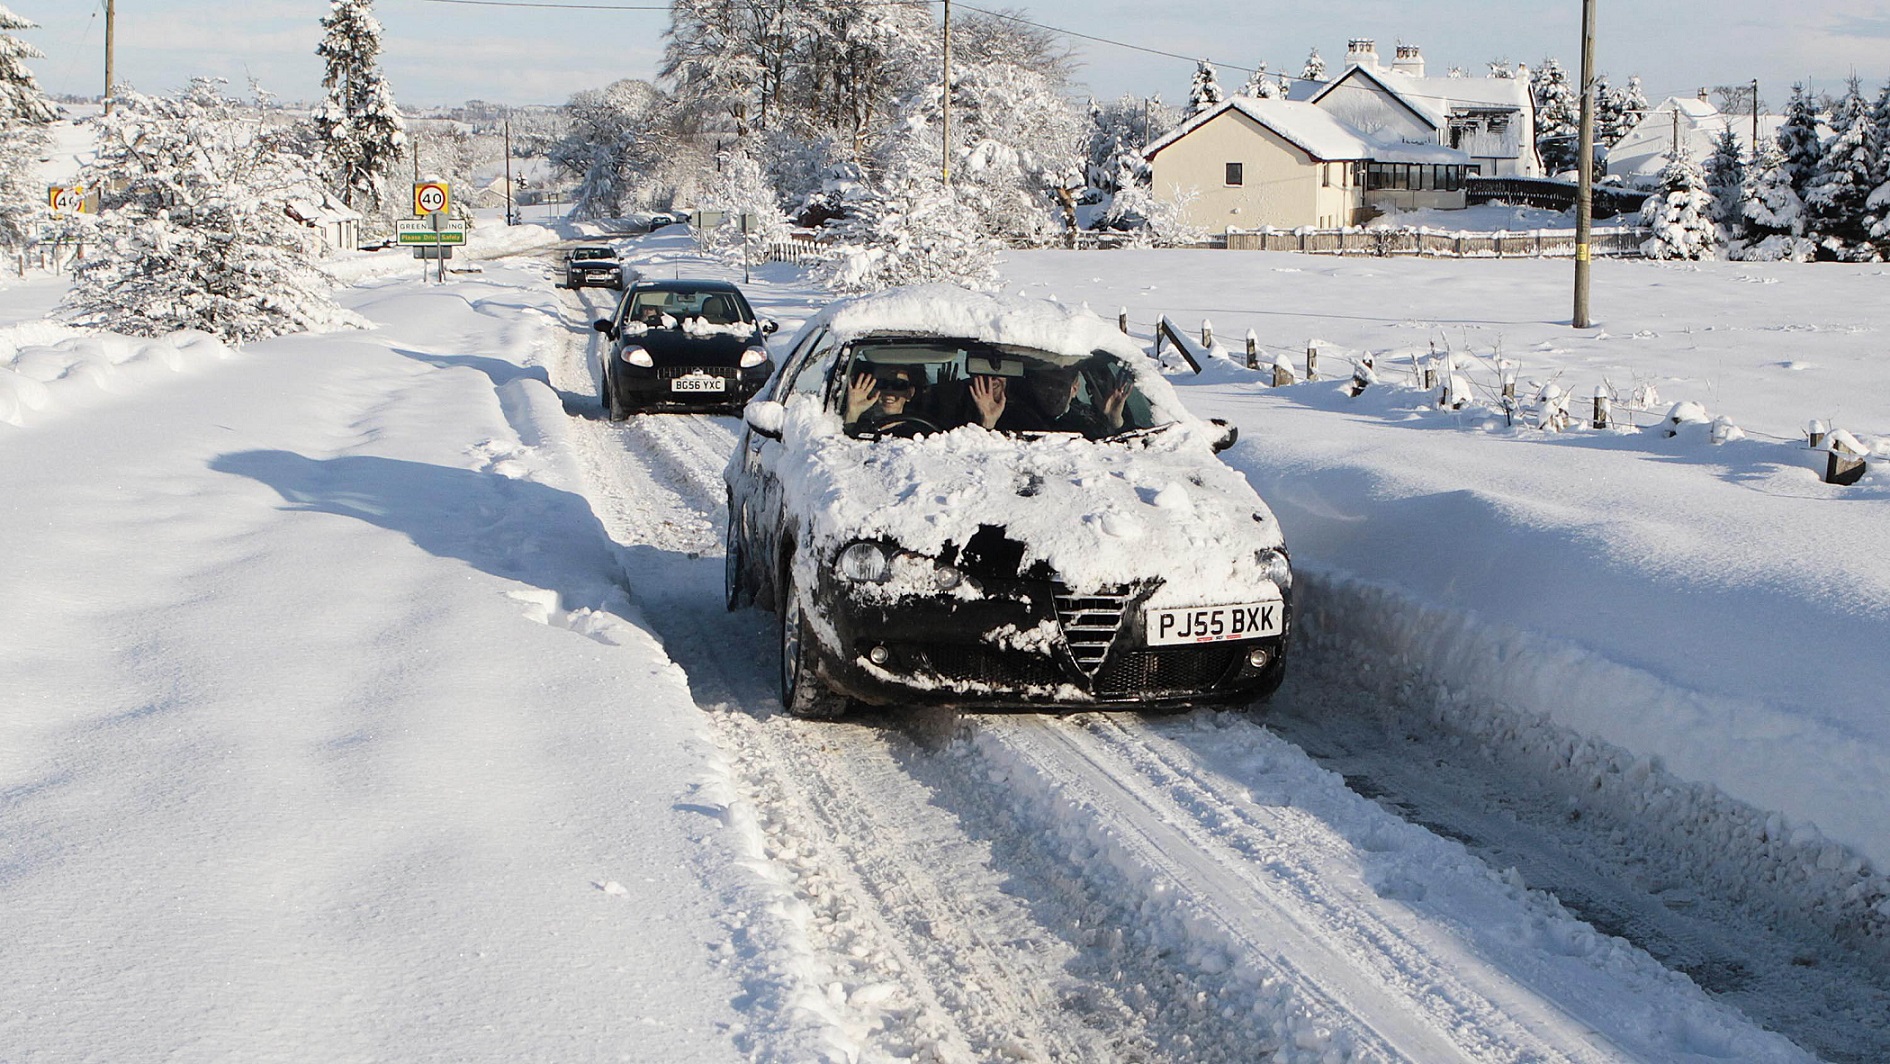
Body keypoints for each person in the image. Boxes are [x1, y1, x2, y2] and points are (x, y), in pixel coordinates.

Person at [967, 361, 1131, 438]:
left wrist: (1114, 421)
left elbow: (1127, 453)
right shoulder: (1013, 416)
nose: (1051, 391)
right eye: (1044, 384)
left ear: (1074, 388)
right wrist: (987, 425)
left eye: (1059, 384)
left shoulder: (1088, 419)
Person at [844, 366, 923, 432]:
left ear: (909, 393)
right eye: (882, 383)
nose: (889, 391)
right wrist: (852, 413)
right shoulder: (860, 425)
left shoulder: (921, 434)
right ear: (872, 389)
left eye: (898, 384)